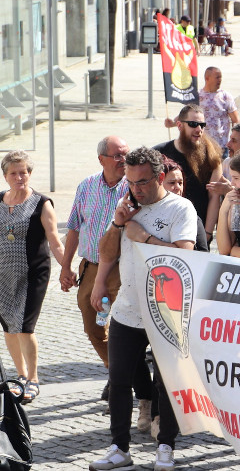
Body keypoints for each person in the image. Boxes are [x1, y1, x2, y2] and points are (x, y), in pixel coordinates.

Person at [89, 147, 197, 471]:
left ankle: (165, 448)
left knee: (167, 383)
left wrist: (145, 238)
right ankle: (119, 449)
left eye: (143, 182)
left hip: (167, 311)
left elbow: (184, 256)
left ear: (160, 177)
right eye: (131, 182)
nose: (136, 189)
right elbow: (107, 252)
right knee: (119, 380)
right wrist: (117, 224)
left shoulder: (181, 209)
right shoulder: (127, 206)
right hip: (127, 308)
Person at [59, 137, 132, 392]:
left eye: (126, 154)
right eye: (117, 155)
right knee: (94, 327)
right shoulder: (86, 186)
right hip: (90, 268)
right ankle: (118, 370)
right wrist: (66, 266)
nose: (123, 160)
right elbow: (74, 228)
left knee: (128, 328)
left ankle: (121, 382)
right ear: (101, 159)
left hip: (123, 270)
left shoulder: (133, 188)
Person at [0, 150, 65, 404]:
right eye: (14, 173)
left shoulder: (41, 203)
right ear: (5, 176)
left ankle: (34, 379)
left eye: (24, 172)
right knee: (8, 326)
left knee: (25, 327)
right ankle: (20, 375)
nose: (20, 177)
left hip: (32, 273)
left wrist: (67, 269)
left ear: (30, 173)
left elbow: (56, 242)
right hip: (2, 274)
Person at [154, 104, 223, 245]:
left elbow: (214, 197)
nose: (199, 129)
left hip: (197, 230)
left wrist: (208, 233)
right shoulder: (158, 153)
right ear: (179, 126)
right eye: (193, 124)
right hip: (162, 228)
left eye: (202, 125)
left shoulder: (211, 157)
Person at [181, 67, 238, 156]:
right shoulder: (197, 96)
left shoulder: (225, 96)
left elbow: (235, 120)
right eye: (217, 77)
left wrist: (235, 140)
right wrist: (172, 122)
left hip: (221, 147)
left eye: (221, 77)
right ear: (207, 78)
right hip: (201, 146)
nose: (220, 80)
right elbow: (185, 116)